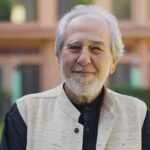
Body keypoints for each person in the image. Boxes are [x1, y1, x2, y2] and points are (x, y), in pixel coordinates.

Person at [0, 4, 150, 150]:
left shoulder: (138, 115)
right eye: (74, 47)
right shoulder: (26, 113)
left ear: (113, 62)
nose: (84, 59)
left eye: (96, 48)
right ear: (58, 57)